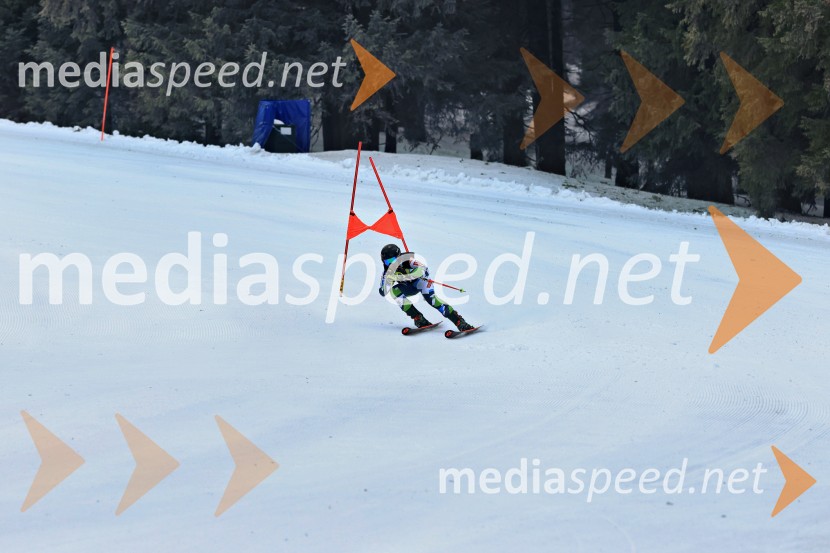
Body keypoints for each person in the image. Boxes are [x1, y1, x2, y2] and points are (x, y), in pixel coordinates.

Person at [378, 243, 474, 330]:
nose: (391, 264)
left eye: (393, 260)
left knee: (433, 301)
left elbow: (423, 270)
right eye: (387, 262)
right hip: (409, 287)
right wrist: (388, 281)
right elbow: (383, 292)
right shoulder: (387, 272)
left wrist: (402, 276)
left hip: (422, 282)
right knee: (394, 291)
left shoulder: (408, 260)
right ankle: (418, 318)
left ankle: (459, 321)